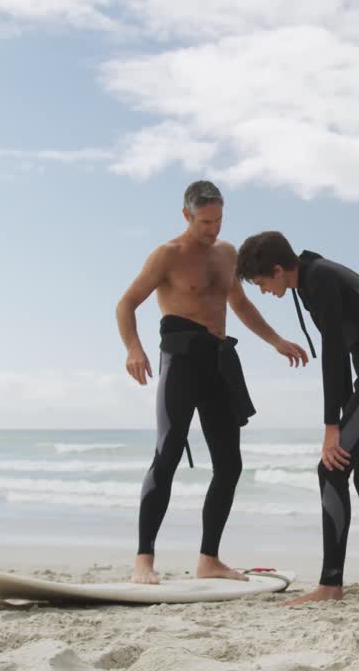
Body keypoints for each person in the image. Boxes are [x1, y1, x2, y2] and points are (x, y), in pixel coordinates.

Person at [115, 181, 309, 585]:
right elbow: (126, 304)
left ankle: (209, 559)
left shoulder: (226, 254)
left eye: (219, 219)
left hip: (218, 363)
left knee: (230, 464)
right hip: (181, 362)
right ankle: (144, 560)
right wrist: (134, 349)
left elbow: (239, 303)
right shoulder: (167, 256)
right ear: (187, 216)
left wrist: (276, 341)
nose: (214, 229)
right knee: (166, 456)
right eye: (205, 221)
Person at [235, 231, 359, 604]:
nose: (264, 291)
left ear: (278, 270)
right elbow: (342, 351)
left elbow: (332, 352)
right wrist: (344, 412)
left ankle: (331, 585)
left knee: (331, 468)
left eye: (262, 283)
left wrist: (333, 426)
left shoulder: (319, 279)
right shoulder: (312, 279)